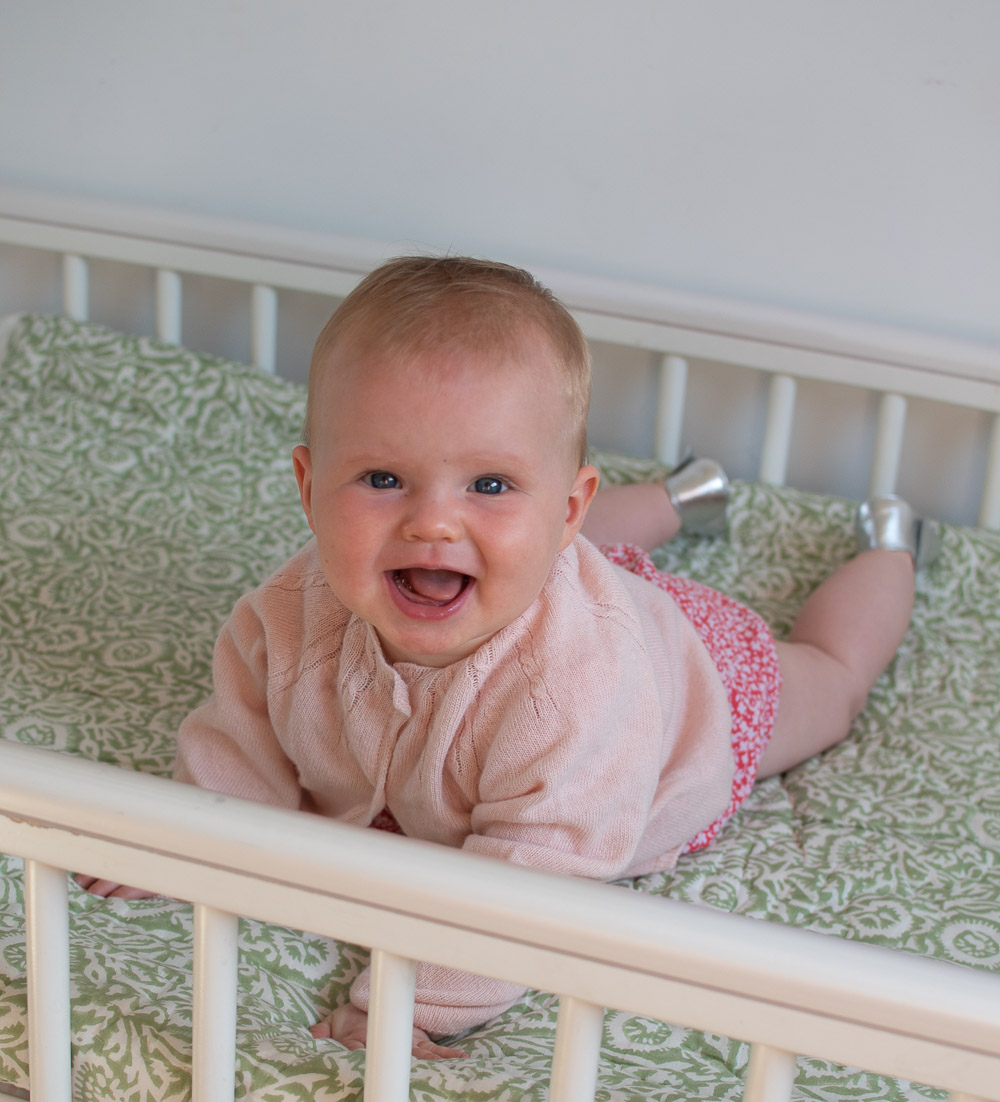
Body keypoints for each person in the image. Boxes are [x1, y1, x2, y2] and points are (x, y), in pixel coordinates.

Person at [78, 256, 938, 1059]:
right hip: (560, 579)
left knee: (829, 676)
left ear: (571, 506)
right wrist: (185, 842)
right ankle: (684, 495)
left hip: (692, 676)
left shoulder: (574, 694)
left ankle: (890, 551)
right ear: (307, 487)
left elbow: (533, 890)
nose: (432, 522)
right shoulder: (282, 618)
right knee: (506, 554)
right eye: (382, 479)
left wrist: (409, 1008)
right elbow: (243, 744)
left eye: (489, 483)